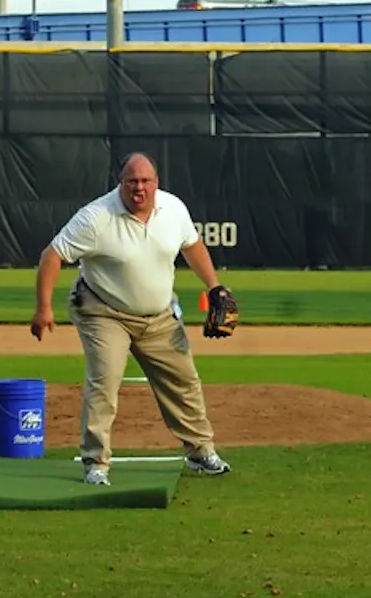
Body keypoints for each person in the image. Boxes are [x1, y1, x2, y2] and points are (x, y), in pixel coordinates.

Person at [31, 152, 233, 486]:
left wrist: (214, 286)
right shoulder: (96, 217)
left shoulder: (174, 209)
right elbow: (52, 256)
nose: (139, 188)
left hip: (159, 315)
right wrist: (43, 308)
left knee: (184, 380)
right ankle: (96, 464)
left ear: (157, 183)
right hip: (103, 310)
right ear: (121, 183)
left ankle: (200, 452)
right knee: (105, 379)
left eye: (145, 181)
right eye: (132, 181)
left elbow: (192, 246)